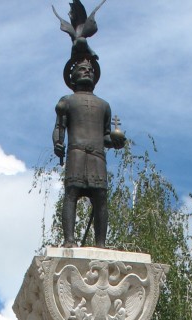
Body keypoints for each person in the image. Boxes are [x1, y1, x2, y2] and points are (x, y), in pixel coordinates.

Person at [53, 54, 125, 247]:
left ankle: (100, 243)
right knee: (72, 193)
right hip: (77, 152)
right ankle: (69, 240)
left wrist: (116, 141)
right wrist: (58, 143)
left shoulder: (104, 105)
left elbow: (105, 136)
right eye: (82, 69)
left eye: (90, 70)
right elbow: (60, 127)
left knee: (100, 197)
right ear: (73, 76)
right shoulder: (67, 101)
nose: (87, 72)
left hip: (97, 156)